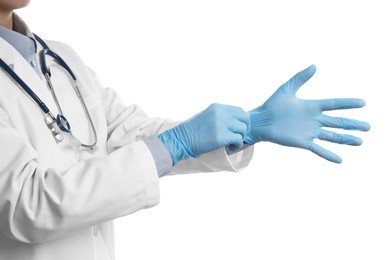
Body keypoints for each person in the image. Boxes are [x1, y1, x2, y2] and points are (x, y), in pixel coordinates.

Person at [0, 1, 370, 260]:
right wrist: (174, 145)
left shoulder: (62, 59)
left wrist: (248, 127)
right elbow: (26, 204)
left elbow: (123, 131)